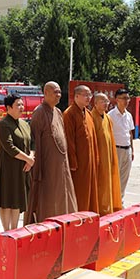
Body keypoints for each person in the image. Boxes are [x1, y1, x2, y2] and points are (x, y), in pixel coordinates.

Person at [25, 82, 77, 224]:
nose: (58, 95)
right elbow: (34, 142)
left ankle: (64, 224)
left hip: (61, 165)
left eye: (60, 92)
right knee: (49, 198)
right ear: (45, 93)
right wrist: (38, 169)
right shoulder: (39, 112)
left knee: (63, 196)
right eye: (55, 92)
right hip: (47, 166)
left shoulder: (58, 112)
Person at [0, 93, 34, 231]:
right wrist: (28, 159)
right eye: (18, 104)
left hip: (22, 168)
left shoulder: (24, 124)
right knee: (7, 201)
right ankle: (7, 231)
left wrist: (31, 159)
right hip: (7, 169)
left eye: (22, 104)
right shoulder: (3, 124)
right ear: (8, 107)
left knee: (17, 200)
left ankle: (15, 230)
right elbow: (10, 147)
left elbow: (32, 143)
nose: (21, 107)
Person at [63, 85, 100, 213]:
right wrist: (72, 162)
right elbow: (69, 140)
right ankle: (78, 219)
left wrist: (96, 158)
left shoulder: (88, 113)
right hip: (78, 164)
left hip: (89, 162)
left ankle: (89, 216)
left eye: (90, 95)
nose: (88, 98)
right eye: (85, 95)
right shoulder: (69, 114)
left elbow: (93, 139)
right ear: (76, 96)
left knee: (90, 191)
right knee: (80, 193)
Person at [91, 93, 122, 215]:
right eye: (103, 101)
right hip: (98, 157)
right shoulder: (91, 117)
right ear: (95, 103)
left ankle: (108, 208)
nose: (106, 104)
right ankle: (98, 209)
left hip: (108, 157)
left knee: (108, 183)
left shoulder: (107, 118)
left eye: (107, 101)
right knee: (99, 185)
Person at [108, 87, 136, 206]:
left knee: (124, 177)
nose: (126, 101)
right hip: (116, 150)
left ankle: (120, 201)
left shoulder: (128, 115)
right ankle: (111, 203)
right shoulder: (111, 115)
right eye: (124, 98)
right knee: (114, 178)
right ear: (116, 100)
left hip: (127, 150)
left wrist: (132, 150)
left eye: (128, 98)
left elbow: (129, 133)